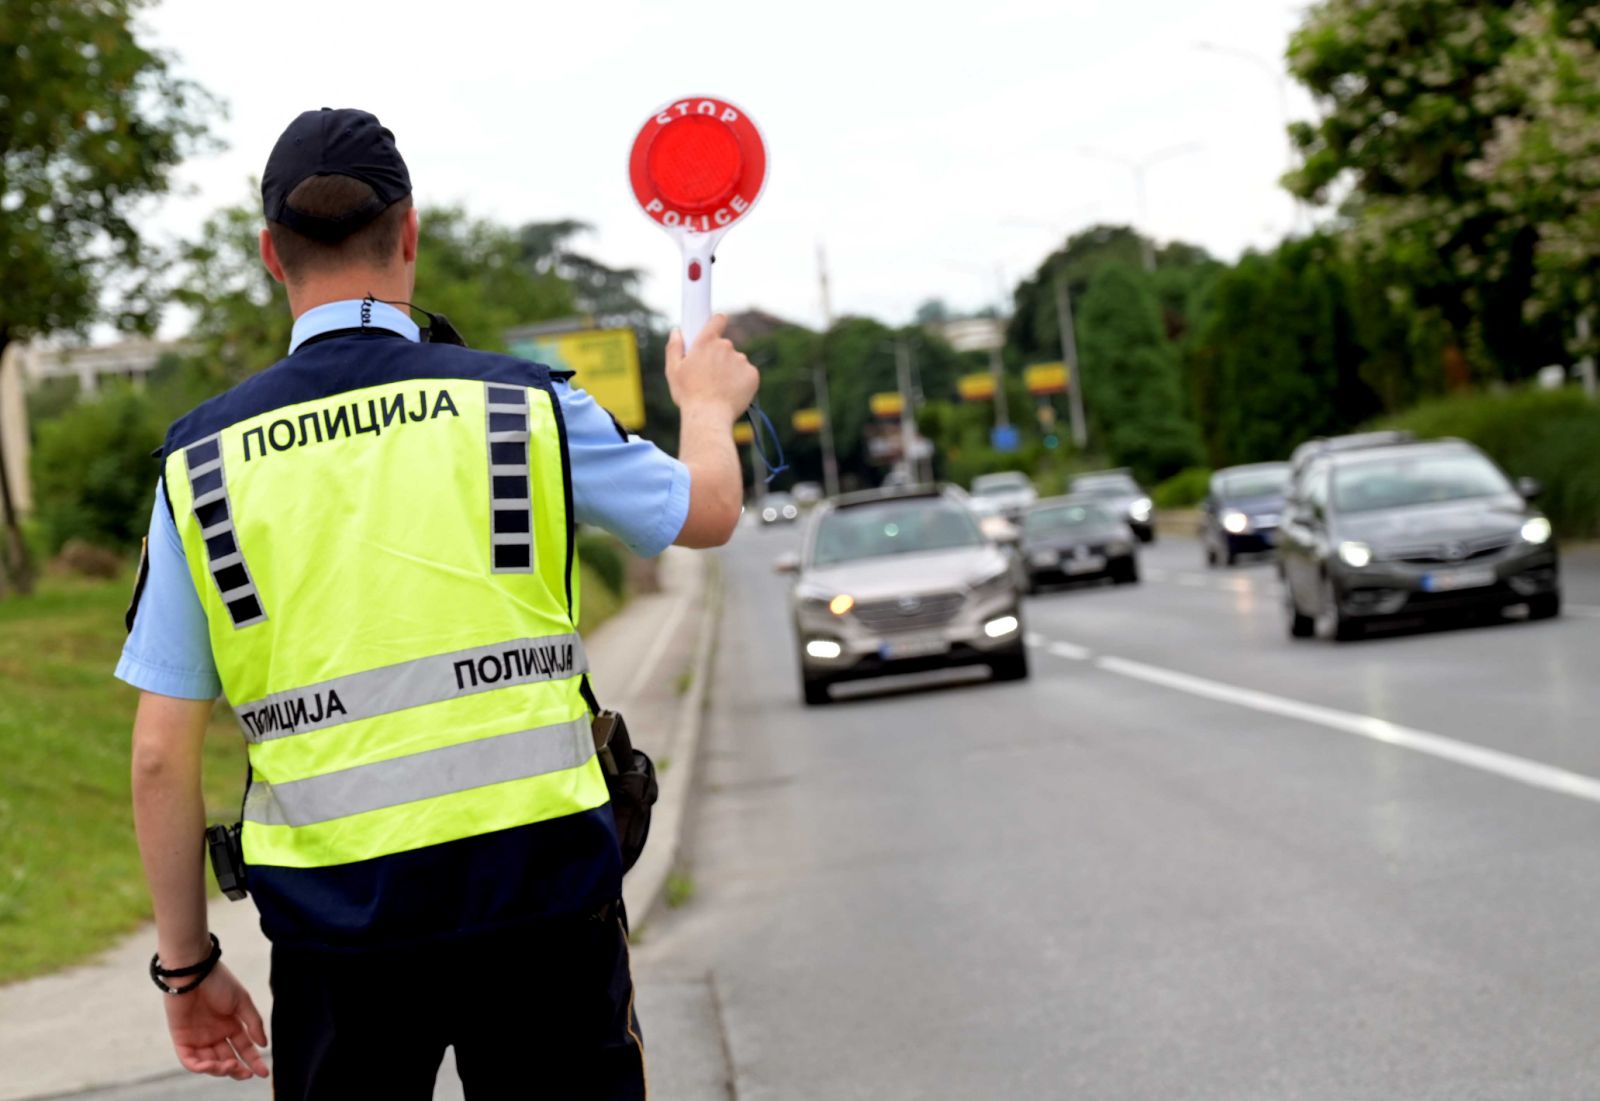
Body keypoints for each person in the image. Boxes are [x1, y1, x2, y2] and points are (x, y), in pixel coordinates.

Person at [117, 107, 758, 1099]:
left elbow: (162, 750)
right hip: (544, 904)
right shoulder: (521, 404)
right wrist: (706, 409)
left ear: (267, 255)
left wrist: (188, 965)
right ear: (409, 231)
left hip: (338, 934)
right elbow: (709, 510)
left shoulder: (201, 464)